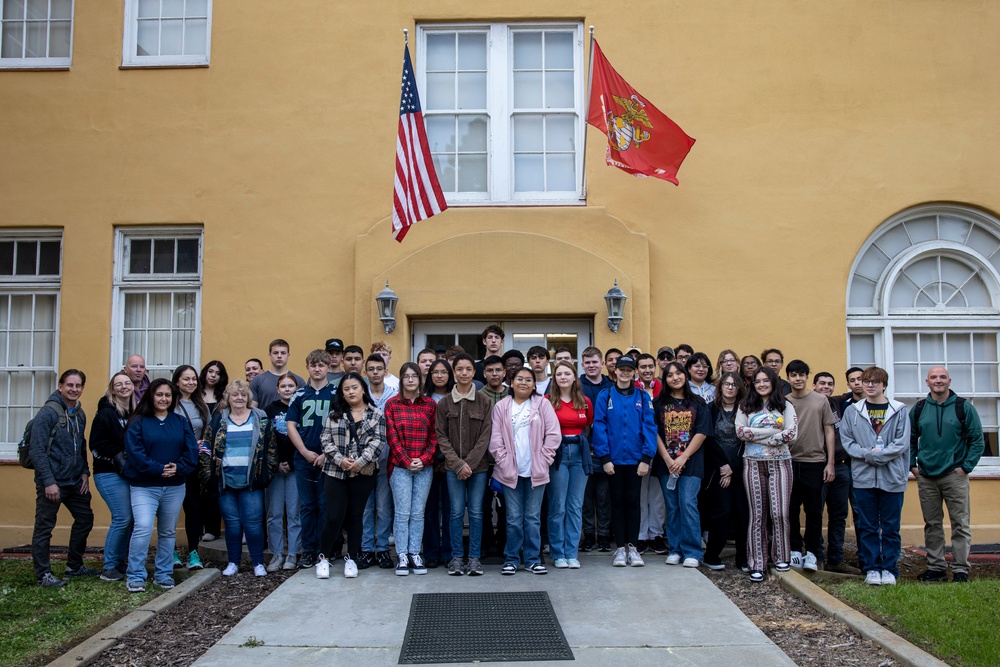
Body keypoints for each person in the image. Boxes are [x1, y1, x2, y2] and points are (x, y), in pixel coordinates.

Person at [910, 366, 985, 583]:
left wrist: (965, 467)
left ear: (949, 380)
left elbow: (977, 440)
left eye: (942, 377)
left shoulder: (964, 408)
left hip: (955, 475)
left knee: (960, 523)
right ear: (927, 382)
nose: (938, 380)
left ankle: (961, 569)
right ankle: (936, 568)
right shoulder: (919, 408)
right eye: (934, 377)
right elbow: (910, 439)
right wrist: (912, 465)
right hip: (926, 475)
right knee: (932, 523)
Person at [123, 378, 198, 592]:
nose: (163, 399)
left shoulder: (180, 422)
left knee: (167, 531)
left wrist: (179, 468)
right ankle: (136, 575)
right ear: (151, 396)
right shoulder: (138, 421)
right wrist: (158, 468)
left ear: (173, 398)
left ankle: (163, 574)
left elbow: (191, 451)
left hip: (175, 486)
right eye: (159, 394)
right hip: (144, 486)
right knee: (143, 527)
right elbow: (135, 453)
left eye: (168, 395)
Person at [839, 366, 909, 586]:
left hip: (892, 477)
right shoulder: (853, 411)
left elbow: (902, 442)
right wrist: (868, 455)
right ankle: (871, 568)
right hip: (863, 477)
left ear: (884, 385)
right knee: (867, 525)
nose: (869, 385)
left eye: (874, 382)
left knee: (890, 526)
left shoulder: (899, 410)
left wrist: (881, 456)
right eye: (866, 381)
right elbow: (847, 441)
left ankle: (889, 569)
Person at [202, 379, 277, 577]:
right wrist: (209, 476)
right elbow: (206, 447)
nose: (239, 398)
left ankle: (258, 563)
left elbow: (271, 448)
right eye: (235, 395)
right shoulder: (219, 419)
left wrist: (267, 473)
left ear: (248, 398)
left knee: (253, 525)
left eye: (243, 395)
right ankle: (233, 562)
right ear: (227, 398)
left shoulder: (259, 418)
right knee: (232, 524)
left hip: (251, 482)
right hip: (225, 481)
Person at [490, 366, 561, 575]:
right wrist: (503, 462)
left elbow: (554, 435)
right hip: (509, 472)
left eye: (528, 380)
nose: (523, 383)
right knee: (512, 518)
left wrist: (545, 458)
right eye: (519, 379)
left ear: (533, 385)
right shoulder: (502, 406)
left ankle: (532, 558)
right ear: (511, 383)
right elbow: (495, 440)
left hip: (536, 472)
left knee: (532, 517)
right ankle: (511, 558)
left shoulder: (542, 404)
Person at [316, 372, 386, 579]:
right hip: (334, 472)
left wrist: (359, 462)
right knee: (334, 516)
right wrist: (340, 460)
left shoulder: (376, 414)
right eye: (346, 389)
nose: (350, 392)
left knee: (356, 516)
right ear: (342, 393)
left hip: (363, 473)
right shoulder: (334, 414)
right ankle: (324, 558)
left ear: (362, 389)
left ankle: (352, 558)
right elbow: (325, 440)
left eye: (354, 387)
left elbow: (379, 442)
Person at [30, 369, 95, 587]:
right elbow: (36, 450)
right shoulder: (48, 413)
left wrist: (85, 471)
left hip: (75, 480)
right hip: (52, 482)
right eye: (70, 385)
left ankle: (74, 566)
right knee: (44, 528)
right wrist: (49, 482)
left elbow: (81, 445)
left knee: (85, 519)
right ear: (60, 386)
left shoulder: (79, 413)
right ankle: (43, 575)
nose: (74, 389)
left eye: (78, 386)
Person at [591, 355, 657, 567]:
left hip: (637, 460)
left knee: (633, 502)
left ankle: (634, 548)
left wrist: (646, 458)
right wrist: (605, 458)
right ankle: (620, 548)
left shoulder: (643, 396)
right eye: (622, 369)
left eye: (630, 369)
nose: (625, 373)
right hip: (614, 460)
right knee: (617, 502)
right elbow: (599, 426)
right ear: (615, 371)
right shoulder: (606, 395)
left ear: (634, 372)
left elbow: (649, 426)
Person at [736, 367, 798, 582]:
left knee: (779, 512)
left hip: (780, 462)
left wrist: (760, 436)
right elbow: (741, 432)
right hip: (753, 463)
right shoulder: (745, 407)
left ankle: (781, 555)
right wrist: (774, 434)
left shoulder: (786, 406)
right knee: (757, 514)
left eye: (765, 381)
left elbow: (791, 433)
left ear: (773, 382)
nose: (761, 384)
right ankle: (757, 563)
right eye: (757, 381)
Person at [437, 353, 493, 576]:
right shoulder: (444, 403)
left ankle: (475, 559)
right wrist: (458, 464)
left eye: (468, 369)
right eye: (459, 369)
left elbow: (486, 435)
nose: (464, 373)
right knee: (456, 513)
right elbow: (441, 435)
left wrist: (468, 463)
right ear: (454, 372)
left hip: (479, 469)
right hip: (453, 469)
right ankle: (457, 558)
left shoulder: (484, 401)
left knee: (477, 513)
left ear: (473, 372)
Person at [655, 361, 713, 568]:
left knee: (688, 504)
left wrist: (683, 457)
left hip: (691, 463)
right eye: (669, 375)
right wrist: (669, 460)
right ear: (665, 379)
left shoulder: (698, 403)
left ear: (685, 375)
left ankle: (692, 551)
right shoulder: (658, 404)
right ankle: (675, 549)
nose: (675, 378)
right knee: (672, 506)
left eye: (678, 373)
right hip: (666, 464)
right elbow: (654, 433)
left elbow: (702, 432)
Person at [385, 362, 438, 576]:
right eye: (406, 376)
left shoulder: (429, 405)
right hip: (400, 467)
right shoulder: (392, 405)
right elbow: (392, 436)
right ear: (401, 379)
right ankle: (402, 556)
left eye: (414, 376)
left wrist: (423, 459)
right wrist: (406, 460)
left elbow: (434, 437)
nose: (410, 380)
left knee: (418, 513)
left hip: (424, 467)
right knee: (402, 512)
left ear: (420, 380)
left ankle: (415, 553)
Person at [784, 360, 836, 573]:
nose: (798, 379)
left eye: (802, 375)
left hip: (814, 462)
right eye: (794, 375)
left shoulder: (820, 400)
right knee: (790, 509)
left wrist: (830, 462)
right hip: (787, 461)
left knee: (814, 510)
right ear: (787, 377)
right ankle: (795, 549)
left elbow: (829, 431)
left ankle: (813, 552)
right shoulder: (783, 400)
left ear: (807, 378)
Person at [287, 349, 336, 568]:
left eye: (321, 365)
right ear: (307, 367)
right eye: (313, 365)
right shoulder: (298, 395)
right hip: (303, 459)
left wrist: (328, 453)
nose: (317, 369)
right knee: (307, 506)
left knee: (326, 505)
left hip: (330, 458)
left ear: (328, 368)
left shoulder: (336, 394)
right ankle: (309, 550)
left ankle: (325, 549)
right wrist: (305, 452)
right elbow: (291, 426)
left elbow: (341, 425)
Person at [812, 371, 861, 575]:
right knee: (815, 513)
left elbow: (861, 393)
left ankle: (836, 559)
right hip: (816, 466)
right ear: (814, 386)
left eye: (830, 384)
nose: (826, 387)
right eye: (821, 383)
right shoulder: (809, 404)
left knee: (839, 515)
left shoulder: (838, 403)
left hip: (841, 466)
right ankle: (817, 558)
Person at [547, 360, 593, 569]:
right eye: (559, 374)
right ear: (554, 378)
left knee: (575, 505)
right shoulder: (547, 401)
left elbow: (588, 427)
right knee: (558, 505)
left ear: (575, 376)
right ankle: (558, 553)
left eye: (567, 373)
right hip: (557, 454)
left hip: (579, 454)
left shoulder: (584, 402)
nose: (563, 377)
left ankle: (571, 553)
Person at [90, 372, 135, 581]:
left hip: (128, 473)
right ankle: (109, 566)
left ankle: (120, 562)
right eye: (119, 384)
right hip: (108, 473)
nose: (124, 387)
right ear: (112, 388)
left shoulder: (134, 412)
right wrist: (117, 455)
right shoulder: (105, 414)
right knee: (122, 517)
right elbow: (96, 446)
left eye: (127, 383)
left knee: (130, 519)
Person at [701, 371, 748, 571]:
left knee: (743, 514)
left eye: (734, 384)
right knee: (723, 512)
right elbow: (707, 440)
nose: (730, 387)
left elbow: (747, 442)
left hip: (741, 469)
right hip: (717, 470)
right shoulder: (710, 409)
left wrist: (733, 468)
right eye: (726, 384)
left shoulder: (747, 411)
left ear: (739, 388)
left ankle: (744, 559)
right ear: (720, 387)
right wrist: (723, 467)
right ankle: (711, 556)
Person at [360, 354, 398, 569]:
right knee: (366, 509)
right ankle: (367, 549)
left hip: (385, 462)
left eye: (379, 368)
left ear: (385, 371)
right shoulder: (360, 396)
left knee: (384, 508)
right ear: (366, 372)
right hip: (363, 463)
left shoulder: (394, 397)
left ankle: (382, 548)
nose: (375, 372)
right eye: (371, 369)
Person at [172, 364, 211, 570]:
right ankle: (170, 551)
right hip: (174, 463)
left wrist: (203, 443)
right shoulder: (170, 404)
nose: (191, 383)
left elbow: (209, 432)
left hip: (194, 466)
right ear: (177, 381)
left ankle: (193, 551)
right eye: (186, 379)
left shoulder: (201, 405)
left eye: (194, 379)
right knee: (170, 509)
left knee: (194, 508)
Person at [264, 373, 303, 571]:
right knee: (275, 513)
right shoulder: (269, 410)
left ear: (297, 388)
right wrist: (277, 462)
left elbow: (303, 437)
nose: (287, 389)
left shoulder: (301, 407)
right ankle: (277, 554)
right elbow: (266, 441)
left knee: (294, 513)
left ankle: (293, 554)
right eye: (284, 386)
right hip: (276, 469)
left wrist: (293, 462)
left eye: (291, 385)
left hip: (296, 467)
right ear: (277, 389)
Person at [580, 346, 614, 553]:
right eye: (587, 362)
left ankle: (603, 535)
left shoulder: (611, 386)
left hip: (606, 448)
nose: (592, 366)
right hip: (583, 447)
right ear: (582, 365)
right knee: (585, 496)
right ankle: (588, 535)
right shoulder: (577, 386)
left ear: (602, 364)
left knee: (604, 496)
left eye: (595, 362)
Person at [421, 358, 453, 567]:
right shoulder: (424, 399)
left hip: (452, 462)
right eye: (435, 372)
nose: (439, 375)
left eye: (443, 372)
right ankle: (431, 552)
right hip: (427, 461)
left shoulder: (456, 397)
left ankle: (450, 552)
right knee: (430, 508)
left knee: (452, 509)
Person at [478, 354, 510, 558]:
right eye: (490, 370)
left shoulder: (513, 394)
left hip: (507, 460)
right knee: (482, 505)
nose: (494, 374)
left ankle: (504, 543)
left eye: (498, 370)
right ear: (484, 373)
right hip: (482, 460)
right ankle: (486, 542)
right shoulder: (477, 395)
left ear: (504, 372)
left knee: (507, 507)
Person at [635, 352, 665, 554]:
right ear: (637, 370)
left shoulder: (663, 388)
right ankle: (641, 535)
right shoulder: (632, 389)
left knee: (657, 494)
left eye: (650, 366)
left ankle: (656, 534)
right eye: (643, 367)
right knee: (639, 493)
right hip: (639, 449)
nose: (647, 370)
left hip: (662, 448)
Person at [251, 338, 305, 408]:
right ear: (269, 355)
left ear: (288, 356)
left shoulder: (299, 381)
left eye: (283, 353)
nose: (279, 356)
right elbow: (253, 411)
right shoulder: (257, 381)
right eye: (275, 353)